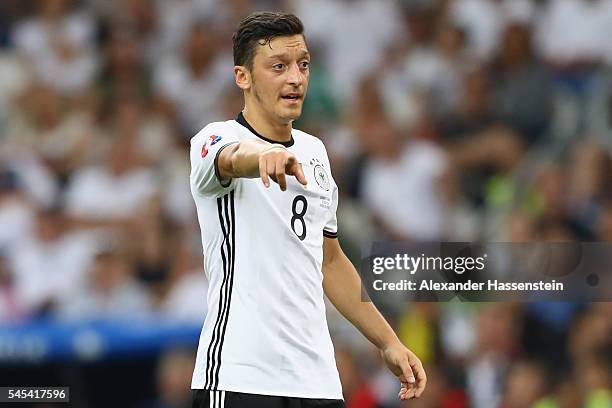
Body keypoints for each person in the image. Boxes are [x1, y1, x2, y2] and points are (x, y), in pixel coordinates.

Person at [189, 12, 427, 408]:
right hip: (238, 374)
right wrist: (261, 155)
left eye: (303, 64)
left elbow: (330, 261)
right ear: (242, 77)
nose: (296, 78)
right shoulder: (216, 137)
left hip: (316, 382)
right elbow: (229, 159)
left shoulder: (315, 153)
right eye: (278, 67)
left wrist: (388, 342)